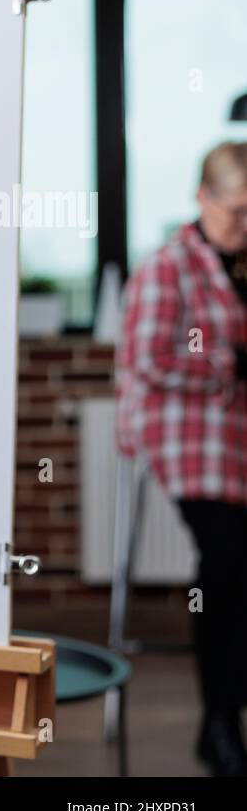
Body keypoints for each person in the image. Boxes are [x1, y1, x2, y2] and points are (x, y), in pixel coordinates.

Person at [116, 140, 247, 777]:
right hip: (184, 432)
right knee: (227, 559)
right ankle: (220, 723)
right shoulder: (168, 266)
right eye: (237, 212)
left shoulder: (240, 263)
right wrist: (227, 364)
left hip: (238, 434)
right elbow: (150, 360)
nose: (245, 226)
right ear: (203, 198)